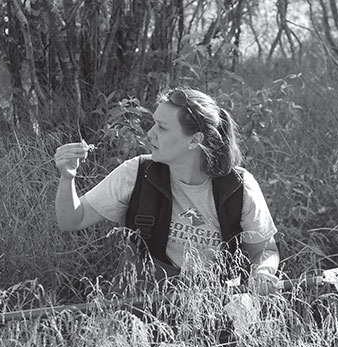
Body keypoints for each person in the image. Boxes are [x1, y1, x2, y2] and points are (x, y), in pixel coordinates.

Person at [52, 88, 281, 296]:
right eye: (154, 124)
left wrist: (262, 273)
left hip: (212, 308)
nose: (150, 134)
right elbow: (71, 219)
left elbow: (265, 251)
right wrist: (67, 177)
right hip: (140, 305)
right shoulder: (136, 172)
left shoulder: (240, 186)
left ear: (195, 140)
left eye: (162, 127)